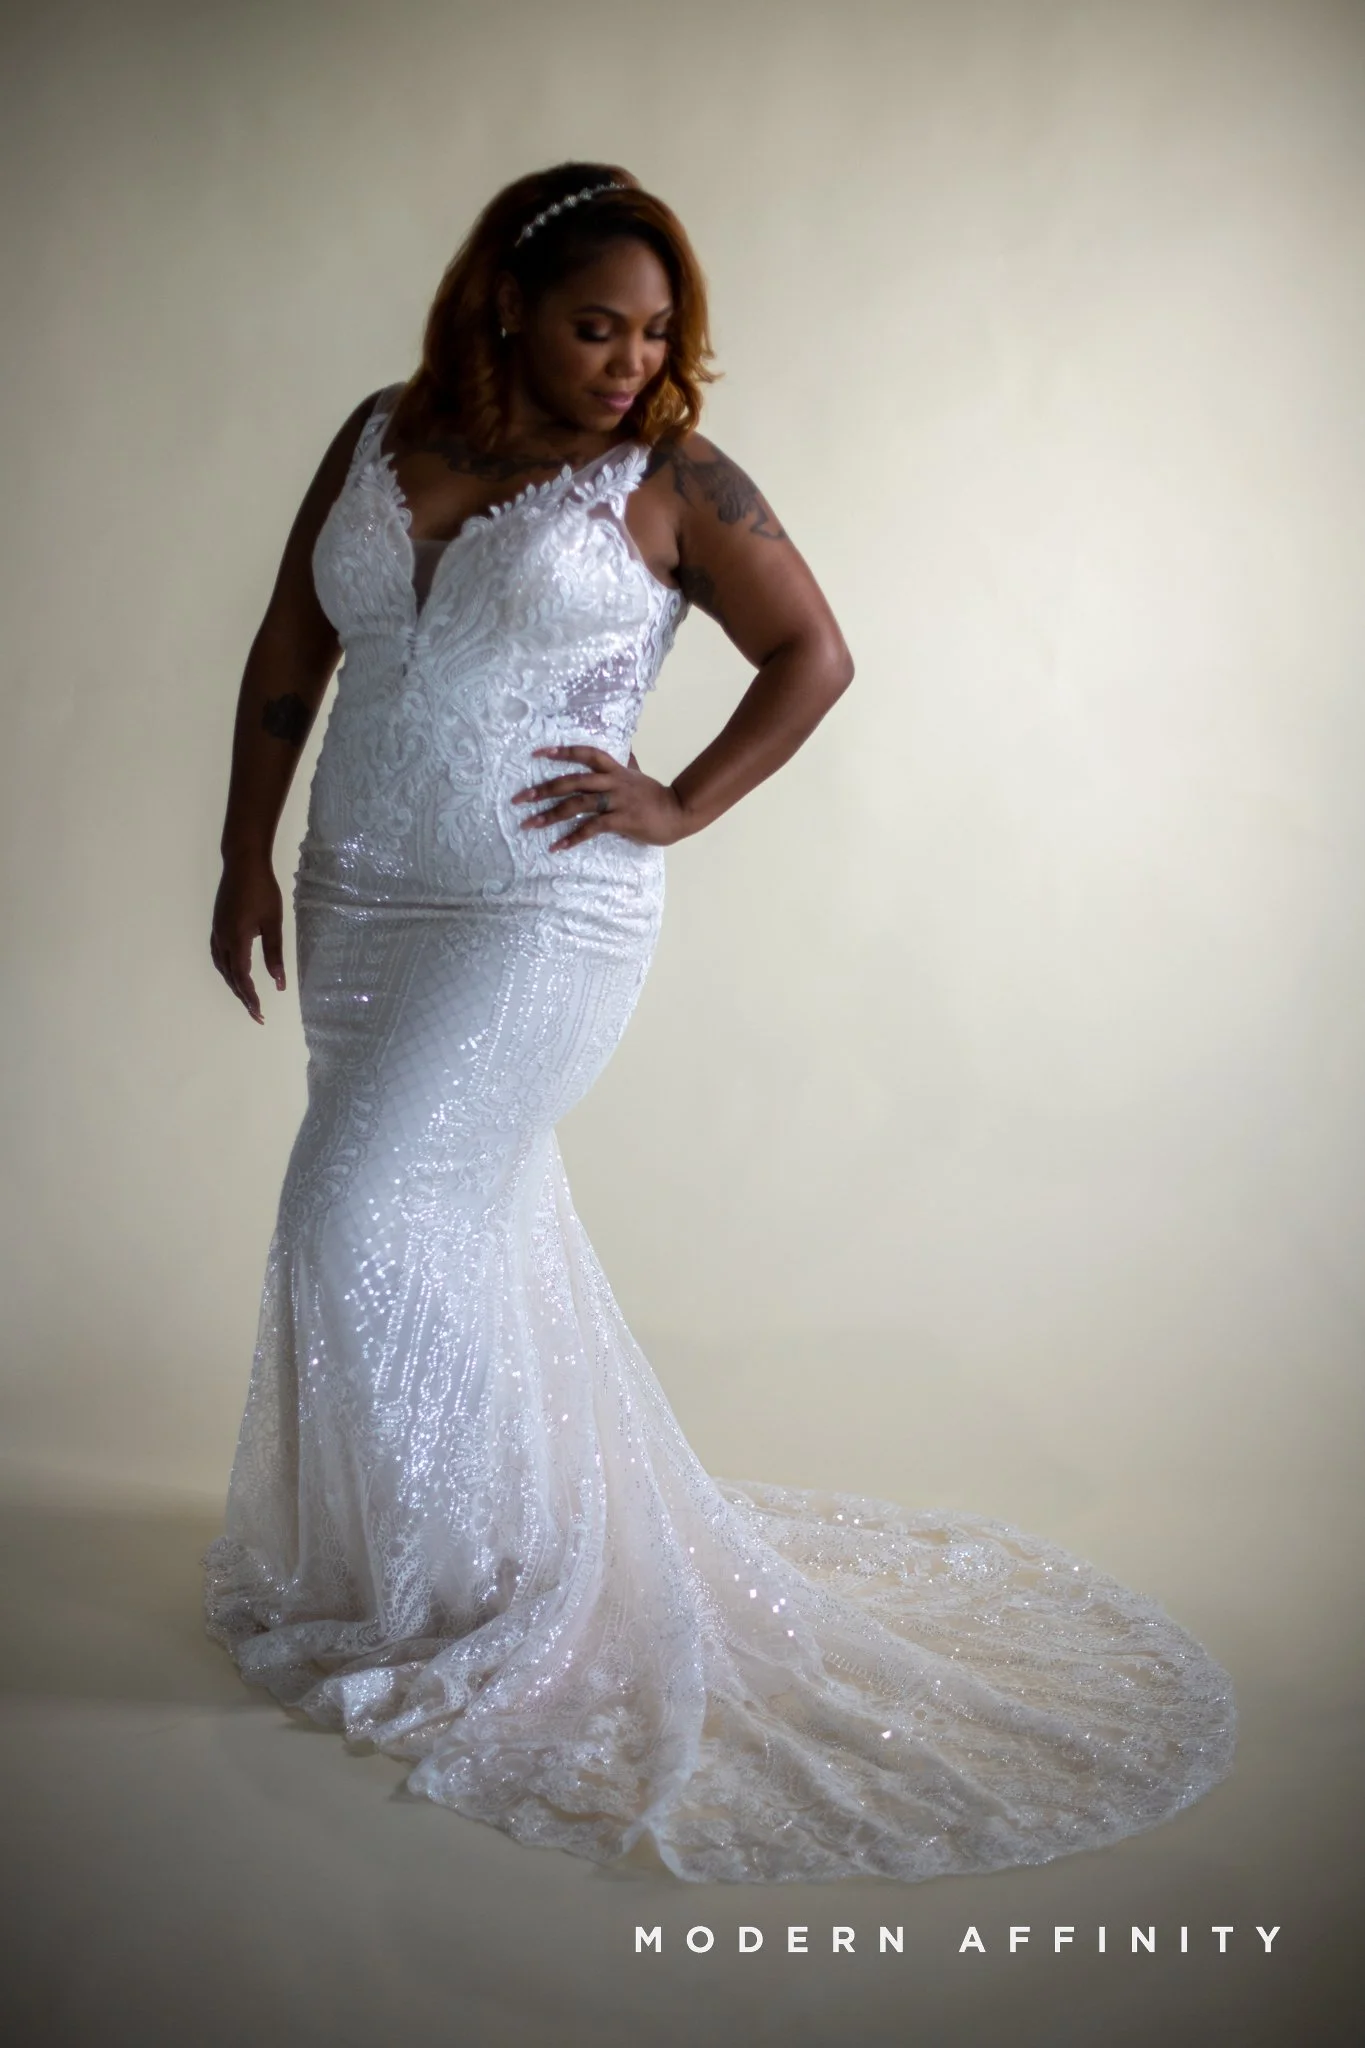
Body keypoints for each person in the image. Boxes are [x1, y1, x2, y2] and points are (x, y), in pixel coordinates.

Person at [203, 162, 1235, 1884]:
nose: (629, 360)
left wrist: (677, 799)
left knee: (359, 1213)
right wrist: (245, 850)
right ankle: (465, 1554)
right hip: (364, 898)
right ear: (506, 308)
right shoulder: (380, 431)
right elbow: (291, 647)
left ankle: (475, 1597)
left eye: (658, 330)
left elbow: (814, 652)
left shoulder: (672, 478)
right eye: (597, 325)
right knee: (461, 1225)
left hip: (546, 910)